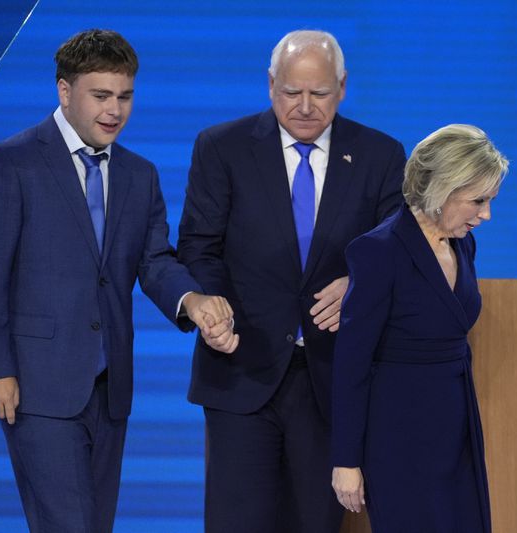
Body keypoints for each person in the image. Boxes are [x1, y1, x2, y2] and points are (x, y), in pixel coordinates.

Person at [0, 29, 236, 533]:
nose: (115, 110)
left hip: (110, 390)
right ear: (65, 91)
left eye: (124, 96)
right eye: (100, 95)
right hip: (37, 386)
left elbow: (153, 261)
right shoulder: (11, 162)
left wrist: (191, 298)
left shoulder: (139, 175)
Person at [177, 29, 406, 532]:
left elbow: (401, 255)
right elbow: (199, 245)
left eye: (319, 93)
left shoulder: (381, 156)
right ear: (269, 85)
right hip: (240, 370)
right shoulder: (222, 147)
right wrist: (215, 307)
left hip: (331, 380)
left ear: (342, 88)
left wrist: (358, 281)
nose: (304, 106)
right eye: (291, 92)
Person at [331, 124, 509, 532]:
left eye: (491, 200)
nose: (486, 215)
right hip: (398, 437)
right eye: (478, 201)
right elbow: (352, 364)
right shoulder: (379, 251)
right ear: (443, 188)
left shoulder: (463, 243)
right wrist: (346, 461)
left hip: (456, 429)